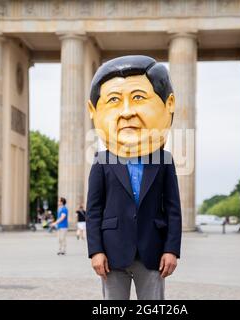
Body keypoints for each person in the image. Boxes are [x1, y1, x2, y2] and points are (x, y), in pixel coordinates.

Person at [86, 55, 182, 300]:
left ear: (168, 103)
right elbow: (94, 210)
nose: (127, 112)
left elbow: (173, 210)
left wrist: (171, 250)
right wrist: (95, 251)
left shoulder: (164, 160)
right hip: (112, 252)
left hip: (152, 252)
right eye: (114, 101)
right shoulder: (101, 160)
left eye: (138, 97)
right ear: (94, 111)